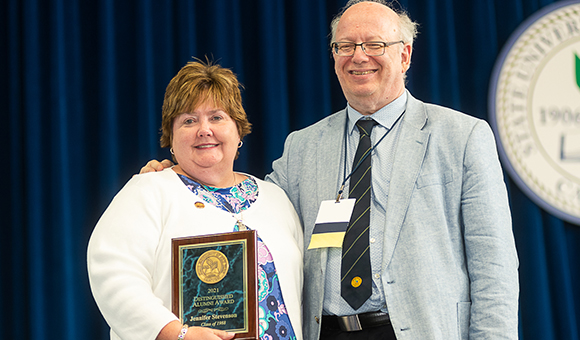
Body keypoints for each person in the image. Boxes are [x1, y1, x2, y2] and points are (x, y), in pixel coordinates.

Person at [141, 1, 520, 339]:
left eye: (374, 45)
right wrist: (179, 181)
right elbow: (244, 211)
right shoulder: (303, 147)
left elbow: (495, 266)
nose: (359, 56)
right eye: (345, 46)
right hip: (326, 331)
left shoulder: (462, 136)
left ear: (404, 56)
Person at [88, 60, 304, 340]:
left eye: (217, 117)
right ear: (171, 137)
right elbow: (113, 276)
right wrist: (175, 334)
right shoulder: (148, 191)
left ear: (238, 131)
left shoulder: (275, 198)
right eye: (189, 120)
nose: (204, 129)